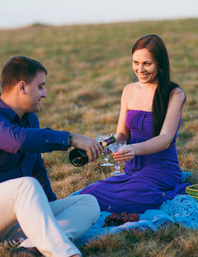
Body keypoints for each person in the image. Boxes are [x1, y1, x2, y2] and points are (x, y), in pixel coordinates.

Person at [0, 56, 103, 257]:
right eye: (40, 86)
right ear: (22, 87)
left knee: (87, 202)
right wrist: (70, 138)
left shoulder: (30, 120)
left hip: (12, 221)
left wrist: (48, 208)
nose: (45, 94)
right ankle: (66, 253)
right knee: (26, 185)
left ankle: (30, 248)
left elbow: (37, 167)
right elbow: (18, 141)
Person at [79, 35, 189, 214]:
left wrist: (134, 150)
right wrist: (102, 147)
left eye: (147, 63)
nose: (140, 69)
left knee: (124, 200)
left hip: (161, 170)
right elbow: (122, 135)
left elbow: (165, 139)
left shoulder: (174, 93)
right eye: (136, 62)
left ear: (160, 64)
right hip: (132, 170)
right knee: (88, 194)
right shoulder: (129, 90)